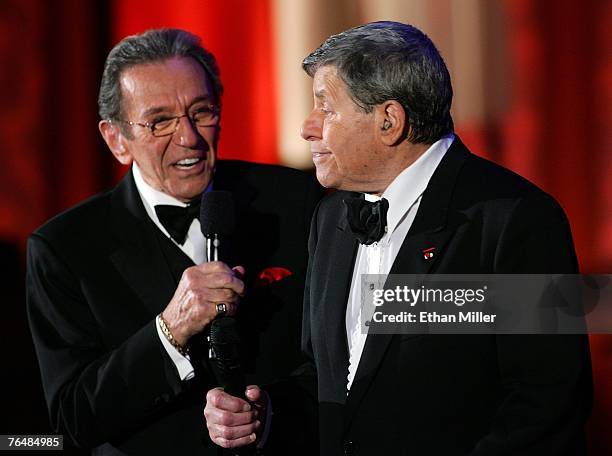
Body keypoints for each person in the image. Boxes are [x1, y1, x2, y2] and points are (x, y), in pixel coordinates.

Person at [204, 21, 592, 455]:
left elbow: (546, 407)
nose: (307, 128)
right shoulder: (331, 217)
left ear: (389, 121)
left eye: (326, 108)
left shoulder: (515, 219)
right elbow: (332, 378)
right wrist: (266, 413)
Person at [26, 28, 322, 455]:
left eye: (201, 112)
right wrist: (170, 331)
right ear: (116, 139)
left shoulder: (297, 201)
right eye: (160, 121)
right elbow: (73, 420)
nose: (189, 138)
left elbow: (340, 355)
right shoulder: (64, 248)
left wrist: (273, 413)